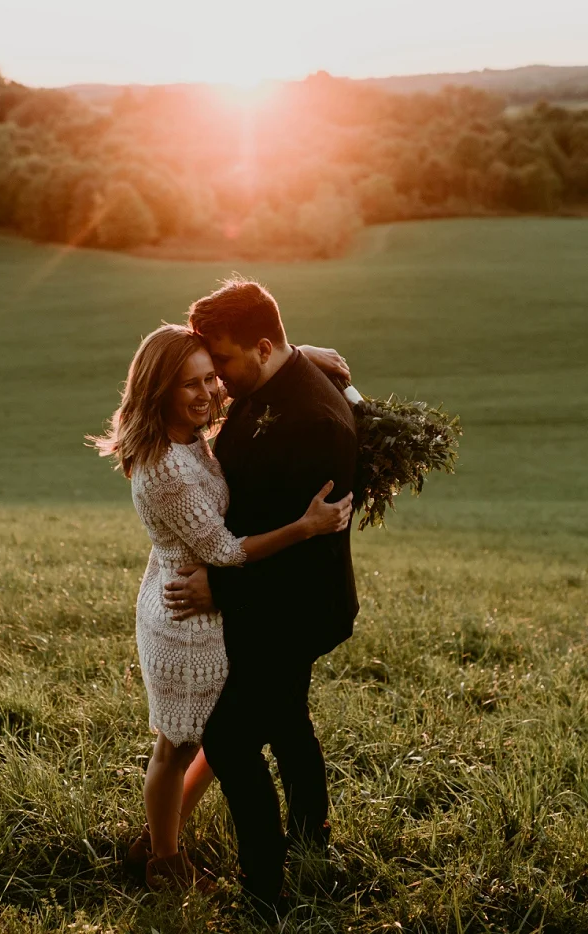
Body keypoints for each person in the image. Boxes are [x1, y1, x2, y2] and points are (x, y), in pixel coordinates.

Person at [90, 323, 353, 890]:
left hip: (209, 610)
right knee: (177, 746)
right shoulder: (167, 469)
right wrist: (306, 527)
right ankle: (163, 862)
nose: (209, 392)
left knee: (222, 734)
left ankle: (160, 835)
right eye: (191, 383)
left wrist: (299, 354)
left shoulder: (188, 427)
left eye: (211, 377)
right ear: (158, 389)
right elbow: (228, 552)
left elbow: (251, 363)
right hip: (185, 617)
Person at [163, 277, 359, 913]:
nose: (214, 376)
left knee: (229, 740)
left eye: (220, 359)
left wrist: (217, 585)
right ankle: (311, 838)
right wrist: (309, 352)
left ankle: (264, 890)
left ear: (263, 345)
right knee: (285, 719)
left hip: (296, 608)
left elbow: (309, 546)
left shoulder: (315, 422)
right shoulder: (270, 376)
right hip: (265, 598)